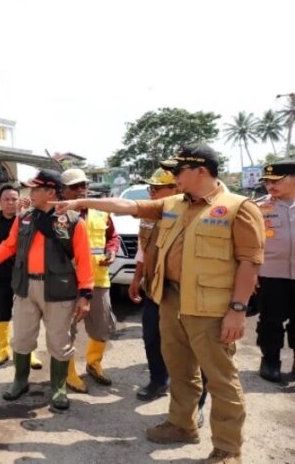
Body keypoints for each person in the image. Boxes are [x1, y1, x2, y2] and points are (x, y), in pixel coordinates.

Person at [53, 143, 264, 464]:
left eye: (178, 170)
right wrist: (81, 200)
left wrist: (238, 310)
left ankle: (227, 449)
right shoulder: (173, 203)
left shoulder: (238, 207)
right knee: (179, 370)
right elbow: (125, 205)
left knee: (221, 379)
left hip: (212, 307)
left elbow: (250, 263)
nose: (172, 176)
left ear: (201, 171)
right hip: (171, 299)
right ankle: (182, 424)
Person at [0, 169, 95, 412]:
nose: (30, 193)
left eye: (35, 189)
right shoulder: (24, 217)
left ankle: (58, 387)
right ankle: (20, 381)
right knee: (22, 338)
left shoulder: (72, 221)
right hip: (26, 287)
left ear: (49, 192)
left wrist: (86, 294)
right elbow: (9, 244)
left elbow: (84, 259)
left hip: (58, 289)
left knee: (59, 340)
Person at [127, 169, 210, 421]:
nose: (151, 192)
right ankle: (158, 380)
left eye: (157, 188)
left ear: (176, 189)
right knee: (152, 337)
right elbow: (144, 249)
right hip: (156, 287)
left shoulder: (199, 213)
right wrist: (136, 277)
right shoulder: (151, 214)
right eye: (150, 188)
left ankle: (198, 403)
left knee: (198, 347)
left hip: (193, 292)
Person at [60, 169, 120, 392]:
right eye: (74, 187)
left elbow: (112, 237)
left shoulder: (100, 210)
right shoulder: (57, 213)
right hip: (68, 282)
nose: (80, 190)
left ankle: (94, 364)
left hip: (98, 279)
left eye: (83, 185)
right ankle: (69, 372)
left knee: (102, 324)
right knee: (67, 329)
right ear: (63, 191)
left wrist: (112, 251)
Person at [0, 185, 44, 368]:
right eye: (6, 199)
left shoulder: (28, 219)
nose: (10, 203)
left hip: (25, 275)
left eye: (13, 199)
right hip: (0, 275)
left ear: (19, 200)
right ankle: (3, 350)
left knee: (29, 315)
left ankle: (30, 352)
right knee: (2, 312)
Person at [255, 159, 295, 382]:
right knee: (271, 320)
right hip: (270, 275)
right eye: (266, 181)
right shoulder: (259, 208)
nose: (270, 185)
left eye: (276, 180)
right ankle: (270, 360)